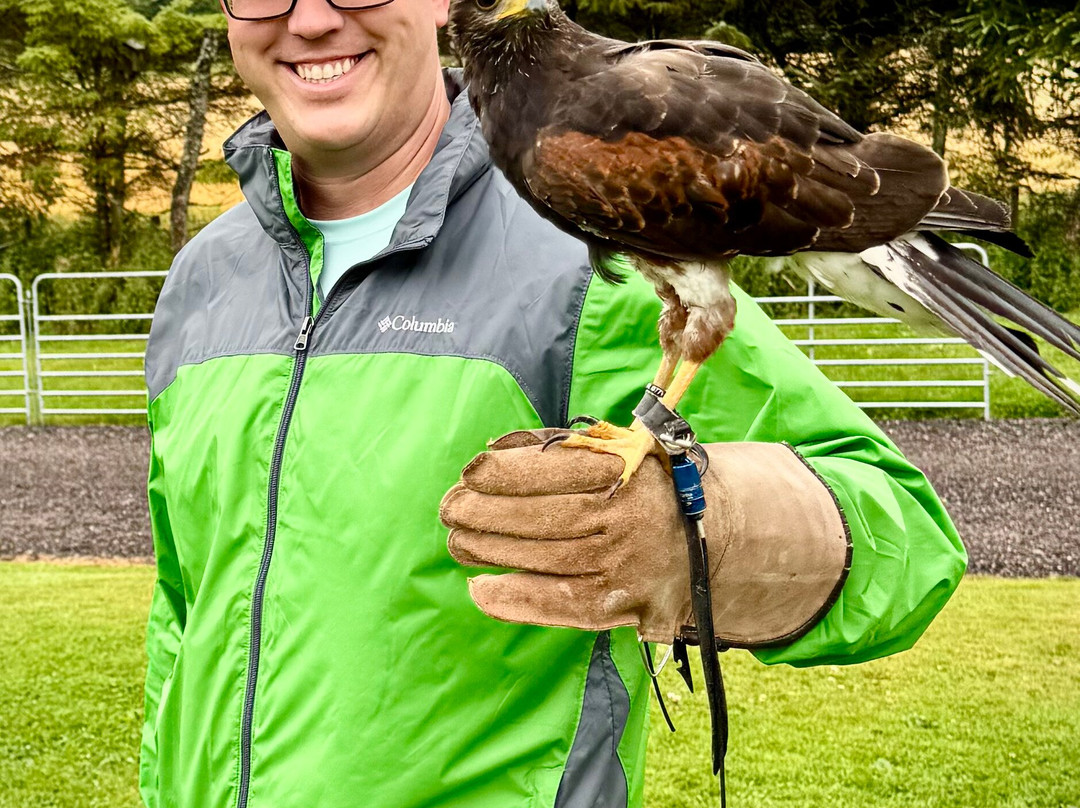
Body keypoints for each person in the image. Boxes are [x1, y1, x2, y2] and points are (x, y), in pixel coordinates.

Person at [139, 0, 967, 806]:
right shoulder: (203, 279)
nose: (311, 18)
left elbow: (907, 537)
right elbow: (185, 611)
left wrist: (706, 534)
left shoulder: (586, 231)